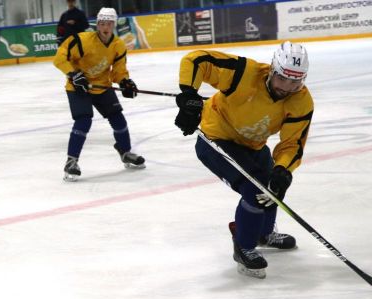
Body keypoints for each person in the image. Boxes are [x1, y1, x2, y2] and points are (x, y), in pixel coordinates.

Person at [174, 42, 313, 278]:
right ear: (272, 70)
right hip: (216, 138)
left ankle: (263, 233)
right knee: (255, 190)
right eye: (282, 78)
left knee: (273, 187)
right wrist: (189, 94)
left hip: (253, 145)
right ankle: (244, 246)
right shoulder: (245, 73)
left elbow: (292, 144)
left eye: (295, 82)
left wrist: (283, 169)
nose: (287, 87)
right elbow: (196, 60)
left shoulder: (301, 101)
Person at [53, 7, 145, 182]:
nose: (105, 27)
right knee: (83, 120)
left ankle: (125, 152)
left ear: (114, 25)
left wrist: (125, 82)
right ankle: (71, 161)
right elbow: (59, 58)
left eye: (109, 23)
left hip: (102, 86)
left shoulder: (118, 45)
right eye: (102, 23)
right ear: (97, 24)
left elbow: (119, 71)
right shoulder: (82, 40)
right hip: (78, 87)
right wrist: (73, 74)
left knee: (118, 119)